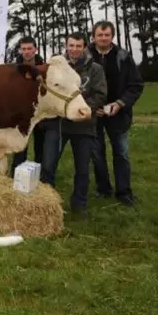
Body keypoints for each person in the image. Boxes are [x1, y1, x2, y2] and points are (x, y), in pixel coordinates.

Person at [39, 33, 106, 214]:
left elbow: (100, 95)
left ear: (84, 46)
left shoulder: (95, 69)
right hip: (58, 124)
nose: (74, 49)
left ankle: (79, 204)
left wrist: (80, 107)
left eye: (78, 46)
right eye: (71, 45)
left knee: (83, 169)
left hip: (84, 125)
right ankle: (47, 205)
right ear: (66, 46)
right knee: (48, 165)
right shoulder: (56, 67)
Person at [89, 20, 144, 206]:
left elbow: (135, 85)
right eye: (99, 35)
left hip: (118, 113)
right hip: (94, 114)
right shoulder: (86, 56)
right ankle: (103, 189)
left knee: (121, 153)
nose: (103, 38)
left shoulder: (124, 56)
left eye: (107, 35)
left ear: (112, 36)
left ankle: (124, 193)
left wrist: (120, 104)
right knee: (97, 153)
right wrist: (91, 106)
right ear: (93, 36)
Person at [9, 36, 46, 176]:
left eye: (30, 48)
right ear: (20, 50)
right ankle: (16, 176)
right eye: (23, 49)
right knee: (20, 147)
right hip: (22, 115)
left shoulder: (44, 67)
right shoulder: (14, 69)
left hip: (40, 114)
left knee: (40, 147)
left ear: (36, 49)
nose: (27, 52)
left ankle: (38, 177)